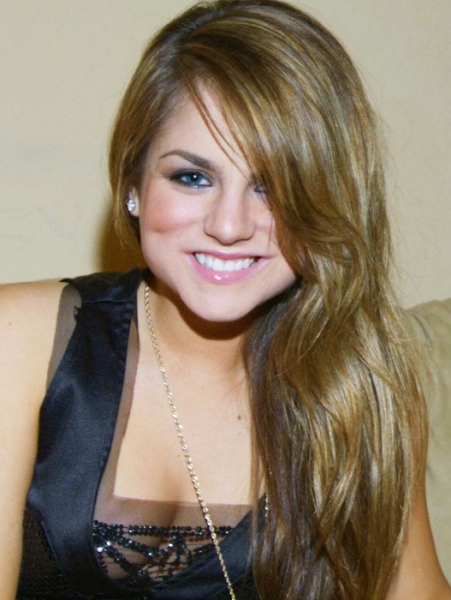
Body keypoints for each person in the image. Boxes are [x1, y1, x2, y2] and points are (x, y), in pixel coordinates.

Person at [0, 0, 449, 598]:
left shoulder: (366, 385)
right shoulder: (21, 340)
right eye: (193, 177)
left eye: (272, 186)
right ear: (133, 184)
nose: (230, 225)